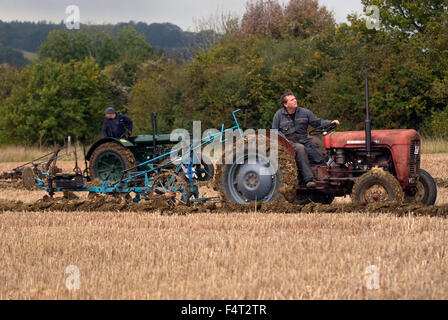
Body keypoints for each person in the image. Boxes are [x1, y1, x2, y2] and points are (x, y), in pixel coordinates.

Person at [272, 93, 340, 188]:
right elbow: (275, 131)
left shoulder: (305, 112)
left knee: (319, 154)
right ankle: (308, 179)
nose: (295, 100)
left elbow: (317, 123)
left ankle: (326, 176)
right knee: (300, 148)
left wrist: (330, 122)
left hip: (304, 139)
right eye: (291, 100)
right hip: (289, 142)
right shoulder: (278, 115)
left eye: (295, 98)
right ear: (285, 104)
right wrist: (284, 139)